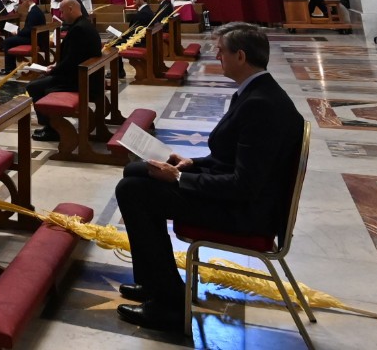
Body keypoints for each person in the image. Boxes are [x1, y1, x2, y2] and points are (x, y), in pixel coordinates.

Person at [113, 23, 304, 333]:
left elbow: (244, 185)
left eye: (221, 51)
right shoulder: (256, 92)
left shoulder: (261, 106)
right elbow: (232, 159)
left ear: (240, 56)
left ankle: (168, 307)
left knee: (133, 190)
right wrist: (190, 163)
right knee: (136, 171)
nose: (217, 55)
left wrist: (177, 178)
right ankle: (154, 282)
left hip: (246, 213)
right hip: (243, 198)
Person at [31, 0, 103, 141]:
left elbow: (72, 61)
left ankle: (51, 128)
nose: (61, 16)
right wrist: (56, 66)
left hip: (79, 80)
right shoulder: (84, 24)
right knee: (41, 81)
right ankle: (50, 126)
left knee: (34, 87)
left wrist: (53, 70)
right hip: (85, 75)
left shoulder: (79, 29)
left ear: (70, 9)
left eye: (62, 12)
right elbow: (75, 57)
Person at [1, 0, 49, 73]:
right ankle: (11, 68)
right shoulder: (35, 10)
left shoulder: (34, 12)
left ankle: (9, 69)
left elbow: (30, 30)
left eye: (22, 1)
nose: (21, 4)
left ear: (27, 1)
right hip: (34, 36)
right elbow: (29, 28)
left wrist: (18, 32)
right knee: (11, 39)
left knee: (7, 41)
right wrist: (18, 31)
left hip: (34, 39)